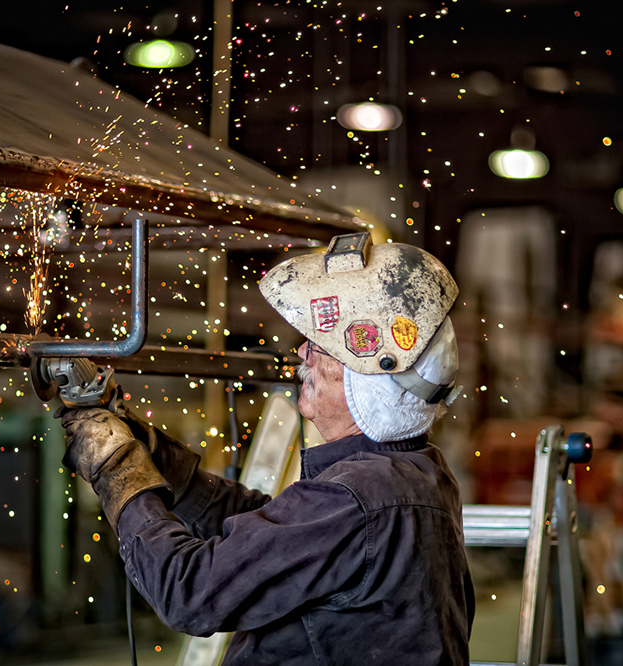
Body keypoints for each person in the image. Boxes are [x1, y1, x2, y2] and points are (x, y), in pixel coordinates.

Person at [61, 232, 475, 665]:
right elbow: (272, 534)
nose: (302, 353)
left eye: (320, 345)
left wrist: (118, 466)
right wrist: (151, 453)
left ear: (368, 374)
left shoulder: (358, 496)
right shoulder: (413, 472)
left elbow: (189, 592)